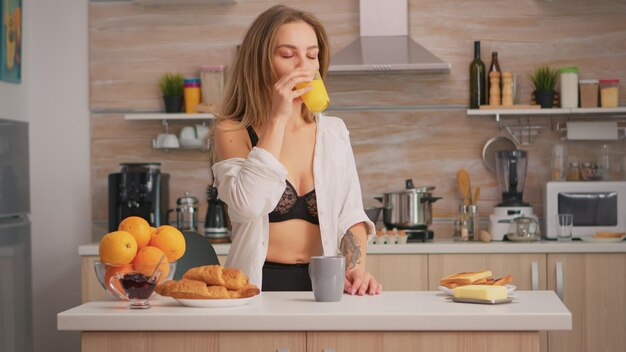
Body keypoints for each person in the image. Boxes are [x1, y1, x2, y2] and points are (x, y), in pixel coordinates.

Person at [212, 5, 381, 295]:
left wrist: (355, 268)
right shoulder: (232, 130)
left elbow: (351, 214)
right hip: (256, 285)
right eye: (288, 55)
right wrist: (279, 117)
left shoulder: (334, 131)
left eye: (312, 55)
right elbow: (246, 206)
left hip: (327, 283)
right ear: (260, 62)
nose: (304, 66)